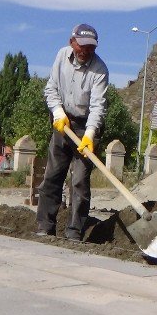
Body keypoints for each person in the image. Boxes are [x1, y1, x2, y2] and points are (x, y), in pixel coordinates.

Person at [36, 23, 109, 242]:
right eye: (82, 46)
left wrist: (90, 134)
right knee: (52, 176)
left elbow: (98, 107)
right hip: (63, 122)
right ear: (72, 42)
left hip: (85, 126)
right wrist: (58, 112)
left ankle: (74, 231)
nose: (85, 51)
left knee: (79, 181)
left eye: (90, 48)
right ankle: (44, 226)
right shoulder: (61, 56)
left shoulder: (100, 70)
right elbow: (51, 88)